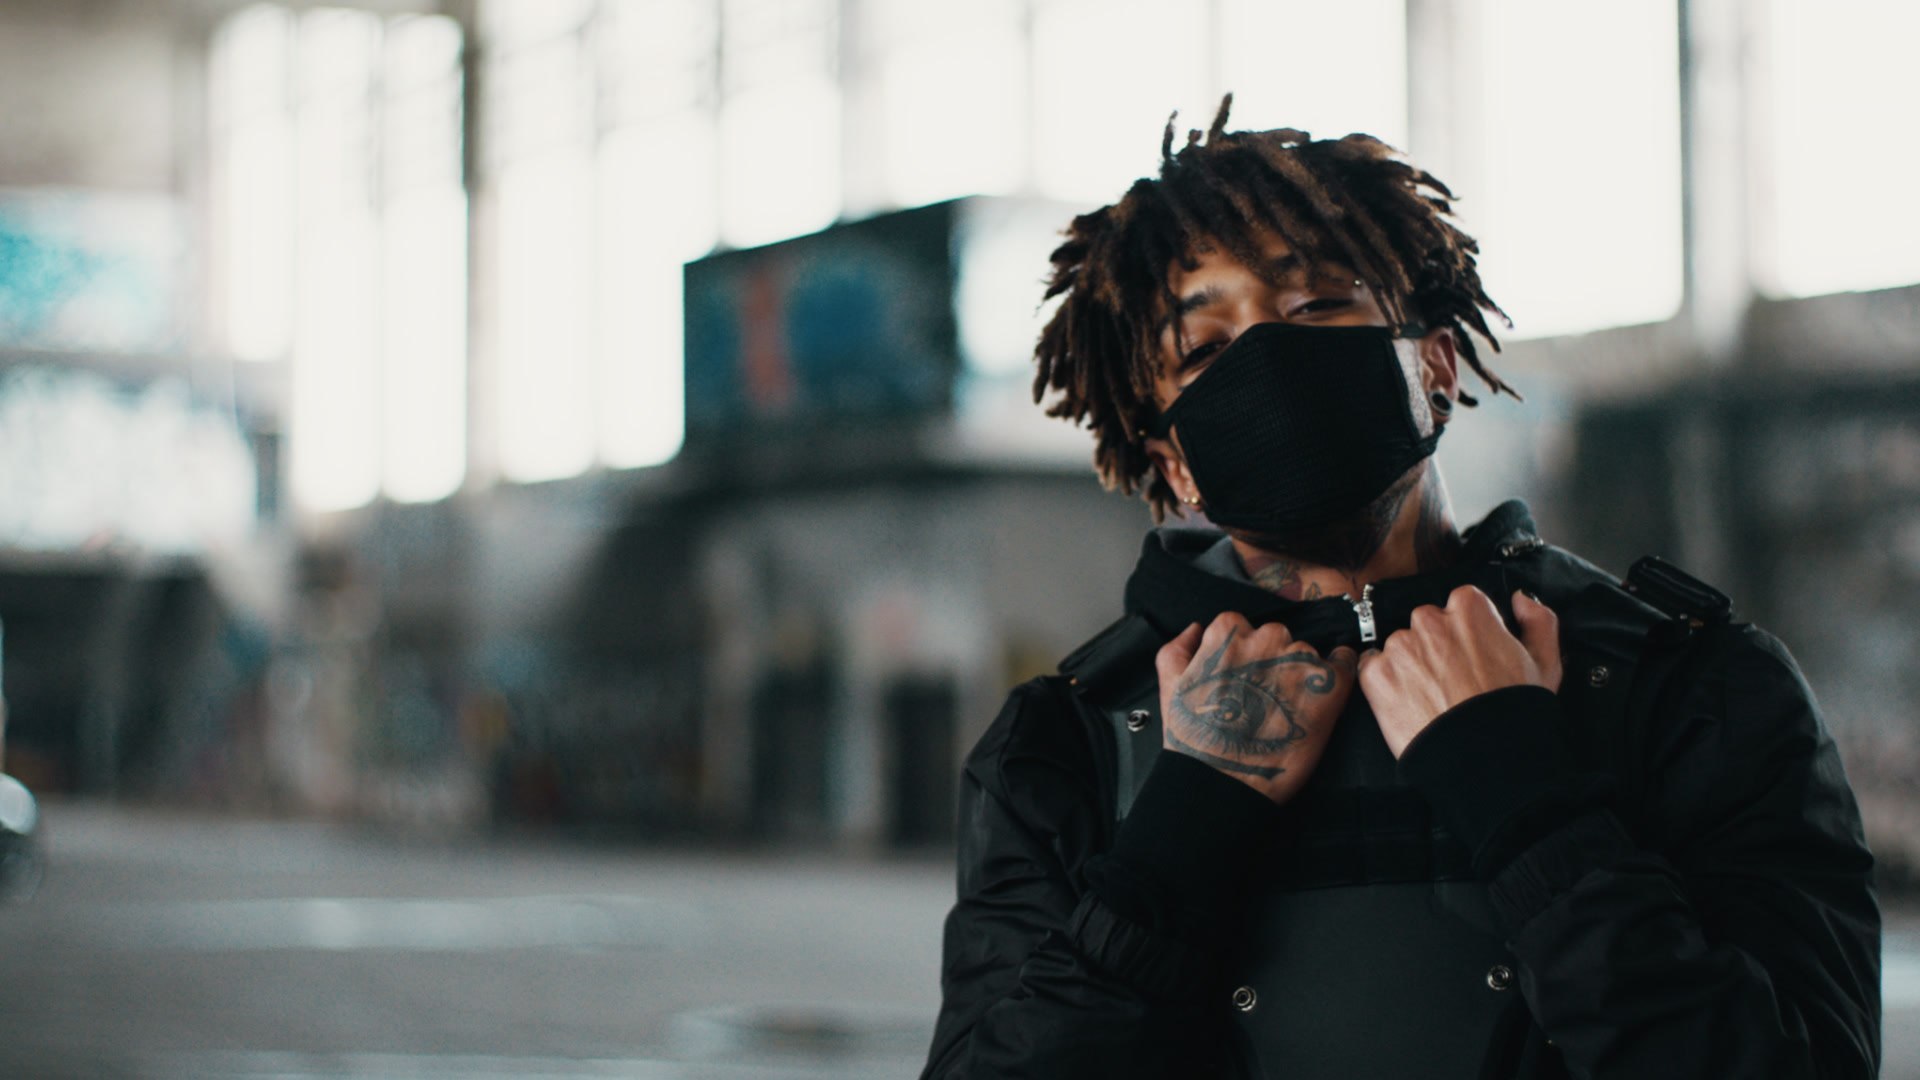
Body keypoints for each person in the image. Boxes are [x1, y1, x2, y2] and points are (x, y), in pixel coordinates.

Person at [917, 97, 1880, 1079]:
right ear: (1176, 467)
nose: (1270, 360)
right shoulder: (1061, 747)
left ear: (1435, 364)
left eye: (1314, 307)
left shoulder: (1693, 686)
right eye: (1204, 349)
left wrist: (1526, 798)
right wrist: (1179, 831)